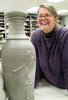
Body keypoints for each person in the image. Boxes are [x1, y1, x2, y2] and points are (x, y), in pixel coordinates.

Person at [31, 4, 68, 92]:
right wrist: (32, 87)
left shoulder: (65, 35)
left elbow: (67, 66)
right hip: (48, 83)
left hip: (63, 86)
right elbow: (35, 64)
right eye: (40, 16)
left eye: (47, 15)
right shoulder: (35, 35)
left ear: (56, 19)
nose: (43, 18)